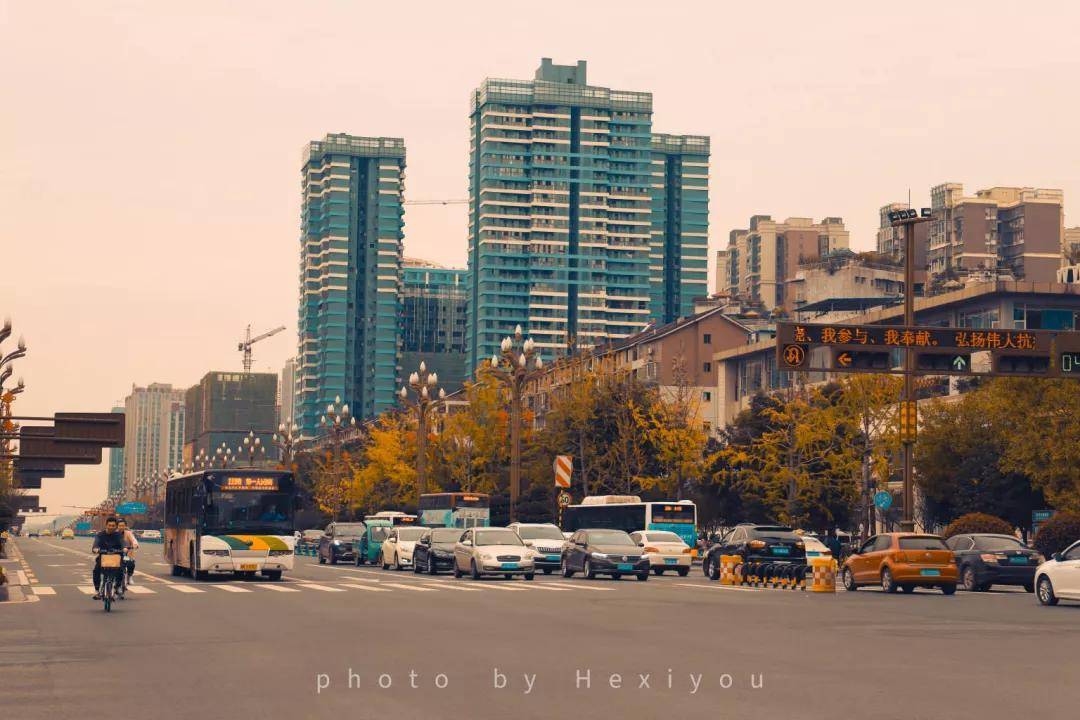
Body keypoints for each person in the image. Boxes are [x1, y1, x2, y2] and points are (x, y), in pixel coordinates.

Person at [91, 517, 125, 600]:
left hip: (116, 557)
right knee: (96, 570)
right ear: (106, 525)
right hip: (103, 557)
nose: (111, 527)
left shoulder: (118, 535)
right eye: (109, 525)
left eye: (113, 525)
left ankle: (117, 587)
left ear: (116, 526)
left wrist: (125, 548)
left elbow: (123, 543)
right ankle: (97, 590)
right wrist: (95, 549)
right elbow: (96, 544)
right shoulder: (100, 535)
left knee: (121, 570)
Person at [116, 518, 139, 585]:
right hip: (116, 554)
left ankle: (130, 576)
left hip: (126, 555)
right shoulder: (114, 534)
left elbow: (134, 540)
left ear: (125, 526)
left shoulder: (128, 533)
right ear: (117, 526)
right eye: (119, 525)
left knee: (131, 563)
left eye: (123, 525)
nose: (121, 527)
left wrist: (135, 545)